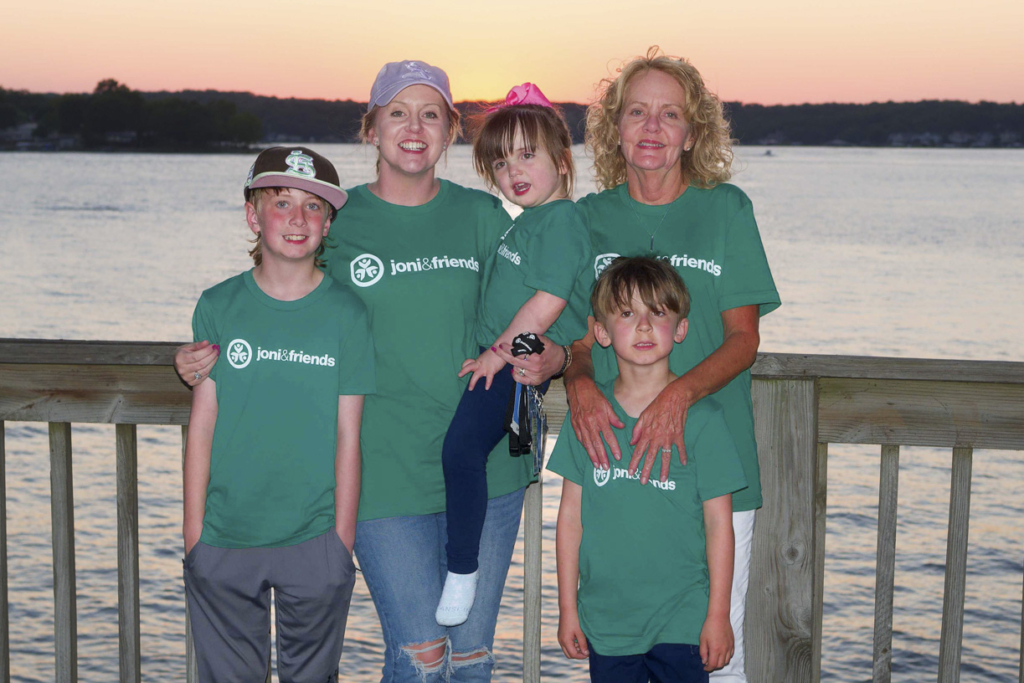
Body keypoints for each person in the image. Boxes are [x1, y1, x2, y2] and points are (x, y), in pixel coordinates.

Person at [175, 60, 566, 682]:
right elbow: (274, 298)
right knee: (420, 654)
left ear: (450, 131)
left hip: (488, 466)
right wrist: (198, 354)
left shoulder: (485, 218)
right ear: (372, 127)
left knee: (470, 658)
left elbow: (549, 301)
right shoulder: (336, 217)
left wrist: (559, 358)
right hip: (383, 475)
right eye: (398, 113)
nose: (415, 127)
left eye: (431, 114)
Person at [557, 47, 782, 682]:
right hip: (613, 472)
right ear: (615, 128)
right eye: (637, 112)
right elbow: (577, 336)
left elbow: (743, 339)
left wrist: (677, 397)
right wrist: (577, 382)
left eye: (670, 115)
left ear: (692, 133)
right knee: (618, 649)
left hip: (711, 465)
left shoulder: (726, 210)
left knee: (716, 658)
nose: (652, 128)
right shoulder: (587, 220)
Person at [182, 146, 375, 682]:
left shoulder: (348, 313)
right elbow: (202, 424)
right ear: (253, 215)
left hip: (314, 539)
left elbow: (348, 433)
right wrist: (194, 536)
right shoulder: (218, 306)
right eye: (281, 202)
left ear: (329, 222)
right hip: (224, 537)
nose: (297, 218)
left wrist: (341, 544)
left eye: (314, 207)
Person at [436, 83, 591, 626]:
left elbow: (547, 302)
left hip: (518, 358)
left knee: (460, 452)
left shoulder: (563, 222)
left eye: (528, 155)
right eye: (501, 163)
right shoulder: (530, 221)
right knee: (484, 448)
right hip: (511, 359)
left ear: (562, 160)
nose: (513, 172)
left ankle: (461, 568)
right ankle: (520, 448)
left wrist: (496, 356)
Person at [550, 256, 746, 682]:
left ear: (680, 328)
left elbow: (719, 525)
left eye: (657, 312)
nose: (642, 326)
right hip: (607, 620)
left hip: (683, 620)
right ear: (600, 332)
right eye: (626, 313)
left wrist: (718, 615)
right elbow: (569, 520)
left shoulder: (705, 419)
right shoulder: (587, 417)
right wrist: (568, 609)